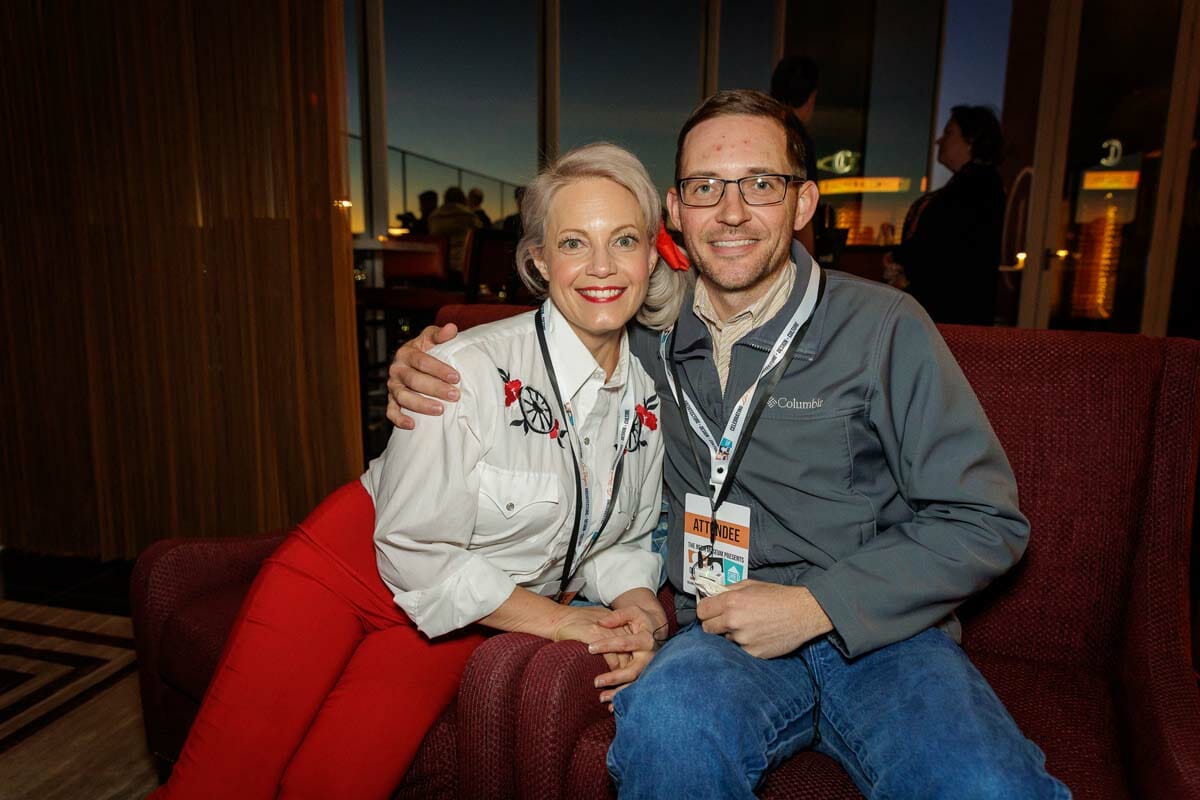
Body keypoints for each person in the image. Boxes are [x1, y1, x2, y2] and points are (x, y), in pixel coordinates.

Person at [387, 90, 1069, 798]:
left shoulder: (885, 326)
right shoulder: (640, 336)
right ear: (676, 211)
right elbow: (549, 332)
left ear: (803, 203)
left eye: (761, 184)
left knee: (987, 785)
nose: (732, 211)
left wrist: (816, 606)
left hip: (886, 637)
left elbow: (985, 520)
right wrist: (435, 361)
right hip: (719, 636)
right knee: (667, 733)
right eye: (706, 187)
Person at [150, 142, 689, 800]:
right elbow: (414, 549)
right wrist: (560, 621)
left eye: (623, 239)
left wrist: (636, 608)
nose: (602, 266)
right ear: (540, 261)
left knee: (334, 785)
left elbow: (616, 540)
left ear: (650, 255)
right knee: (221, 782)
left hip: (464, 613)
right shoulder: (463, 367)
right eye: (574, 242)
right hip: (350, 568)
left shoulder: (647, 398)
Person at [883, 105, 1006, 325]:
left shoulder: (976, 189)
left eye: (949, 133)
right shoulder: (973, 187)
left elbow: (942, 247)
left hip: (950, 316)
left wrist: (902, 259)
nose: (939, 141)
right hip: (948, 313)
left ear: (971, 140)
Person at [771, 55, 820, 254]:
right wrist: (810, 264)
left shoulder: (763, 132)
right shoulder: (799, 139)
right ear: (811, 98)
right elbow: (802, 214)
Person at [429, 185, 482, 277]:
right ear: (463, 199)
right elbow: (480, 234)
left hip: (438, 265)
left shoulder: (433, 217)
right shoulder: (470, 217)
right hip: (464, 265)